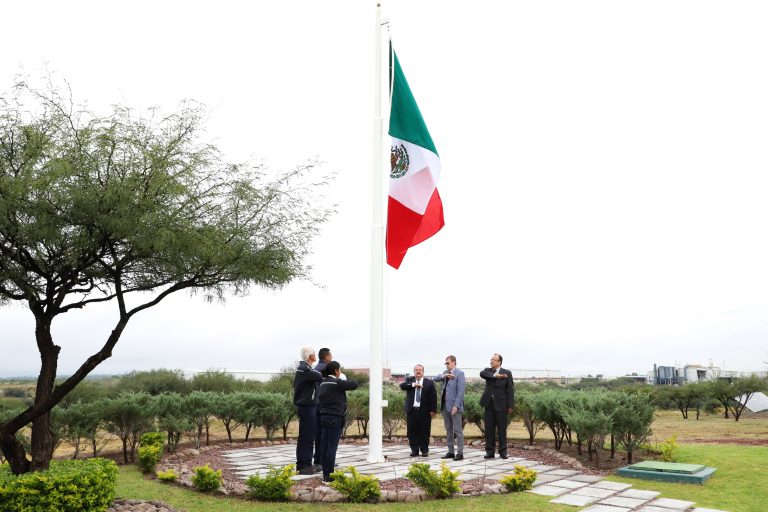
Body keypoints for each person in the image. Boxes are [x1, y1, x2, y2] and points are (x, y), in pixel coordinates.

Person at [318, 361, 358, 482]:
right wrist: (342, 378)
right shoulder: (337, 383)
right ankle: (330, 476)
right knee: (332, 447)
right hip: (335, 418)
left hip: (323, 417)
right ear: (336, 370)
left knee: (325, 446)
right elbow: (354, 384)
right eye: (339, 369)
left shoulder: (322, 383)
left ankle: (325, 474)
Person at [293, 346, 323, 474]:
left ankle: (307, 464)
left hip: (310, 406)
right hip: (306, 406)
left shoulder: (307, 368)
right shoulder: (304, 369)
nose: (315, 355)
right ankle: (302, 465)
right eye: (314, 353)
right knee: (306, 437)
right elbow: (319, 375)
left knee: (309, 436)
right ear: (311, 356)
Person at [479, 353, 515, 459]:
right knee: (489, 430)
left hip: (502, 405)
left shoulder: (507, 373)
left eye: (494, 360)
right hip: (489, 404)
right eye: (491, 359)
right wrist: (495, 375)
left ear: (499, 362)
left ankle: (503, 452)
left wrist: (510, 405)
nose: (491, 361)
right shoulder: (488, 371)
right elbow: (482, 374)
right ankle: (490, 452)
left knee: (501, 430)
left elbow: (511, 390)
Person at [399, 364, 437, 457]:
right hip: (412, 411)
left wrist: (433, 410)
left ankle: (424, 450)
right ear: (414, 372)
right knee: (412, 432)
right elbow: (402, 386)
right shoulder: (410, 380)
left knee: (424, 431)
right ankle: (414, 450)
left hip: (425, 411)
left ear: (423, 372)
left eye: (420, 370)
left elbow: (434, 397)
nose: (418, 371)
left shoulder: (429, 382)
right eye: (416, 370)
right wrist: (413, 385)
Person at [433, 355, 466, 460]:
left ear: (454, 362)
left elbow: (461, 392)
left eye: (448, 363)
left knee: (458, 431)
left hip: (454, 407)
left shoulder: (460, 373)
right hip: (445, 406)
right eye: (445, 363)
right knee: (448, 430)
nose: (446, 365)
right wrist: (445, 375)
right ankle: (451, 451)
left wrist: (456, 406)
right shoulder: (445, 373)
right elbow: (435, 379)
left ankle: (460, 453)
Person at [312, 347, 332, 470]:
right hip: (324, 405)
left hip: (317, 404)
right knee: (325, 433)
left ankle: (318, 459)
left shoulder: (316, 368)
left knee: (318, 433)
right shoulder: (326, 369)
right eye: (330, 355)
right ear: (326, 356)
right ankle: (323, 461)